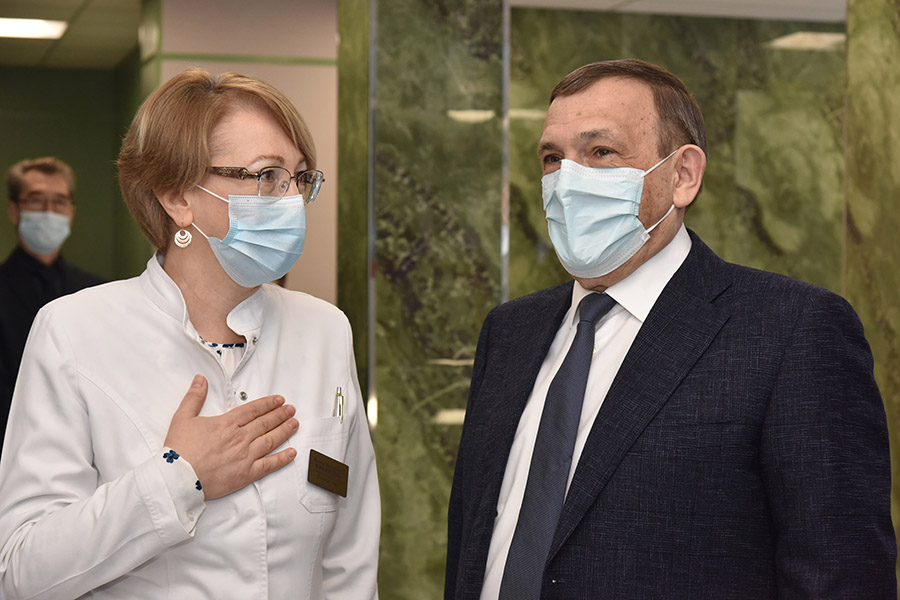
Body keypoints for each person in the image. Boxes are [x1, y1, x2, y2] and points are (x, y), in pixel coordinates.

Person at [445, 59, 895, 599]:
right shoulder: (510, 331)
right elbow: (472, 540)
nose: (566, 182)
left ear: (682, 175)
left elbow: (840, 574)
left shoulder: (791, 331)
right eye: (552, 158)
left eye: (600, 152)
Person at [0, 68, 379, 599]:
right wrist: (179, 478)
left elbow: (349, 558)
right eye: (268, 176)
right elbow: (22, 572)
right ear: (178, 197)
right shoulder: (74, 332)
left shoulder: (324, 330)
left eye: (300, 178)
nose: (292, 199)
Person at [0, 157, 104, 451]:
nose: (49, 211)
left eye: (59, 202)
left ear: (71, 212)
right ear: (14, 210)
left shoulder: (97, 292)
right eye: (36, 200)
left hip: (86, 450)